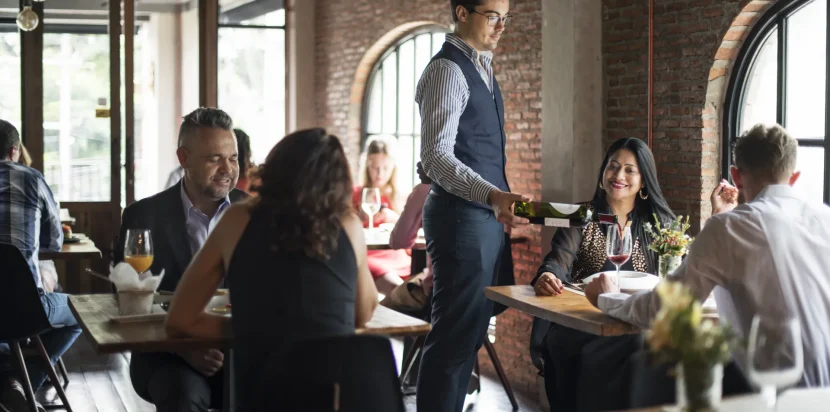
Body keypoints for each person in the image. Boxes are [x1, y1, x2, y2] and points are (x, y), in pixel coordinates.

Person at [585, 123, 830, 401]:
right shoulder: (825, 220)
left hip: (771, 394)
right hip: (826, 392)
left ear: (736, 176)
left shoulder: (729, 227)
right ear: (794, 177)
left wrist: (605, 298)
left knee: (646, 367)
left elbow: (664, 309)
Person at [165, 128, 378, 412]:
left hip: (262, 395)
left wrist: (252, 325)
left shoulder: (237, 219)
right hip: (334, 396)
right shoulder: (349, 225)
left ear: (275, 168)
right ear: (338, 181)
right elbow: (362, 314)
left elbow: (180, 319)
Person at [414, 1, 531, 411]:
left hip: (481, 219)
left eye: (505, 17)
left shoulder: (482, 66)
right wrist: (493, 195)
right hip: (461, 220)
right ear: (462, 12)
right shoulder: (447, 70)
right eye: (492, 15)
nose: (501, 26)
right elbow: (436, 157)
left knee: (468, 337)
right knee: (453, 340)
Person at [114, 108, 250, 412]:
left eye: (233, 158)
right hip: (167, 354)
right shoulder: (143, 216)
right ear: (184, 159)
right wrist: (183, 348)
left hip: (242, 351)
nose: (227, 169)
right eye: (214, 159)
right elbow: (130, 305)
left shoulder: (256, 213)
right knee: (182, 395)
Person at [528, 137, 675, 411]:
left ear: (644, 181)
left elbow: (679, 272)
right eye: (613, 166)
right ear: (603, 173)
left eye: (630, 170)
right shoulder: (581, 216)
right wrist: (548, 276)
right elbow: (558, 260)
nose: (619, 175)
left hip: (635, 322)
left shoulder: (659, 225)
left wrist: (718, 214)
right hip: (583, 322)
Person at [0, 119, 81, 412]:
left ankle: (9, 382)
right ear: (14, 151)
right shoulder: (32, 179)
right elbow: (54, 242)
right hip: (25, 308)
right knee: (80, 312)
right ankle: (19, 382)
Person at [352, 136, 411, 296]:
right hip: (369, 254)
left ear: (393, 167)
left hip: (395, 253)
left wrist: (393, 218)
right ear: (367, 167)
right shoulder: (356, 194)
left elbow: (412, 232)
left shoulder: (400, 196)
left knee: (415, 289)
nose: (380, 173)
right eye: (374, 167)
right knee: (399, 290)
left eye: (385, 168)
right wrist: (360, 218)